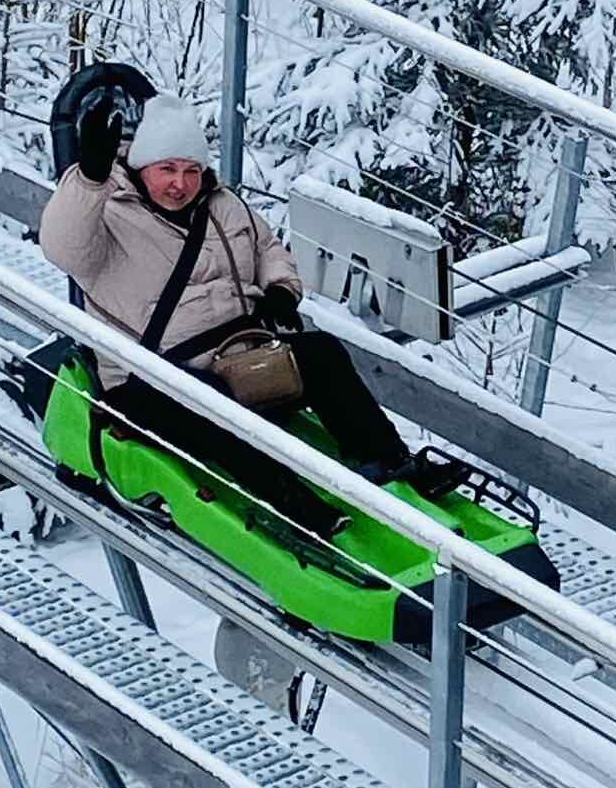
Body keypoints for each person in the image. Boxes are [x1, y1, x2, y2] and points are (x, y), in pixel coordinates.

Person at [40, 90, 460, 540]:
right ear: (142, 167)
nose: (180, 184)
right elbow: (62, 247)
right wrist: (89, 179)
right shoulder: (108, 211)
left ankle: (389, 460)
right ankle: (292, 505)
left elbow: (266, 248)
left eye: (191, 171)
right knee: (209, 401)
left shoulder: (223, 205)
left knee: (321, 353)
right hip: (150, 376)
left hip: (237, 352)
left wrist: (281, 290)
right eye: (167, 170)